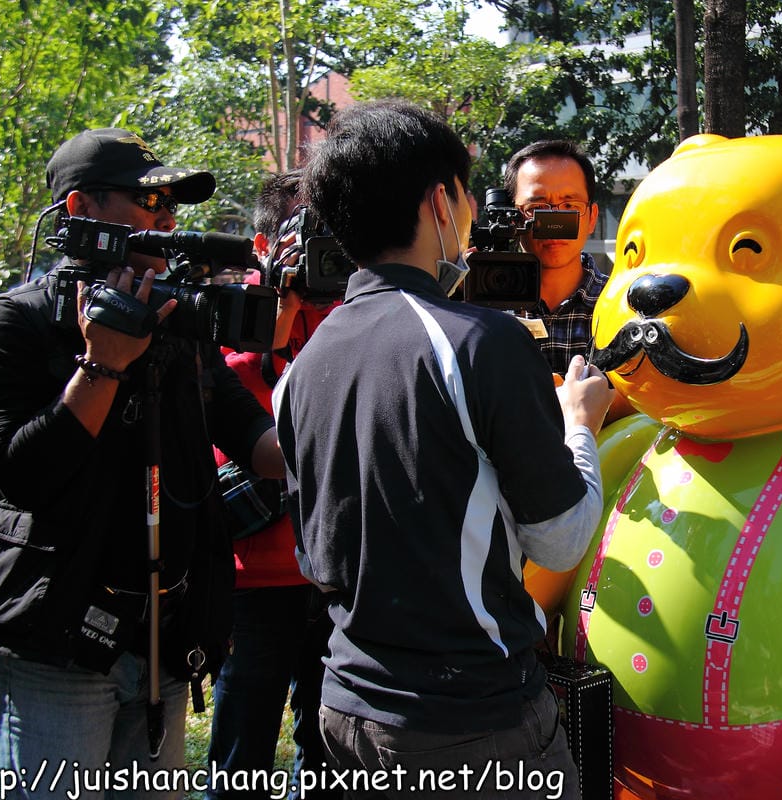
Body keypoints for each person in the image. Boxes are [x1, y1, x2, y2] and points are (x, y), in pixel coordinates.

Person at [275, 100, 615, 800]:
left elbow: (316, 549)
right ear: (439, 202)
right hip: (473, 721)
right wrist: (578, 424)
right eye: (465, 195)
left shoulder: (305, 364)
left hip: (345, 703)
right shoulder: (481, 343)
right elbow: (560, 539)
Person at [0, 127, 285, 799]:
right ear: (81, 210)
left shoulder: (176, 324)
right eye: (148, 201)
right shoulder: (12, 323)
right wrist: (102, 363)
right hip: (56, 643)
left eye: (172, 203)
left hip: (161, 640)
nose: (167, 218)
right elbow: (21, 476)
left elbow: (260, 441)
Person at [206, 171, 338, 800]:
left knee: (329, 748)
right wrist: (278, 314)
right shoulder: (232, 313)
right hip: (255, 578)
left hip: (338, 576)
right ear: (263, 243)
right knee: (242, 752)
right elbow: (229, 398)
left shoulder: (350, 310)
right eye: (304, 233)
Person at [505, 139, 634, 421]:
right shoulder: (483, 308)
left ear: (591, 218)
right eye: (537, 207)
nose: (554, 222)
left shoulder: (620, 308)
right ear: (512, 217)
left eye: (569, 206)